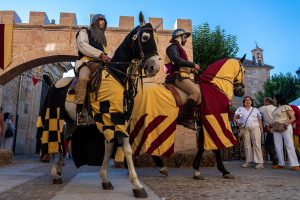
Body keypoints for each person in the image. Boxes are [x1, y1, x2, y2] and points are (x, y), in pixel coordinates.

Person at [75, 14, 111, 125]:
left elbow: (108, 53)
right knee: (83, 79)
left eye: (104, 21)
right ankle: (80, 112)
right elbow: (83, 45)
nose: (103, 23)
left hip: (100, 65)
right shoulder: (84, 31)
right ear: (94, 22)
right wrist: (100, 54)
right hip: (86, 63)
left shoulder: (103, 40)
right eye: (101, 20)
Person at [164, 28, 201, 129]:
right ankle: (187, 118)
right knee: (195, 92)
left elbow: (181, 65)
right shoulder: (172, 47)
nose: (186, 39)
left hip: (182, 75)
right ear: (179, 37)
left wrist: (190, 70)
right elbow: (176, 61)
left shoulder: (178, 48)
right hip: (177, 77)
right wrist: (193, 65)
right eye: (185, 37)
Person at [233, 96, 264, 169]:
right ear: (244, 102)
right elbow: (234, 118)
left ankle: (260, 162)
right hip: (245, 128)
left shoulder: (255, 109)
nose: (247, 101)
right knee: (247, 145)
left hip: (255, 128)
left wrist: (261, 128)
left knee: (257, 144)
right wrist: (238, 123)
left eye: (249, 100)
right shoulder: (240, 109)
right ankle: (248, 161)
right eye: (246, 100)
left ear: (251, 101)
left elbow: (259, 120)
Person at [270, 94, 300, 171]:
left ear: (278, 99)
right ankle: (281, 163)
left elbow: (293, 118)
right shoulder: (276, 109)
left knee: (289, 145)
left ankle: (294, 164)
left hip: (285, 127)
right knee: (277, 146)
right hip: (276, 127)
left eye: (274, 98)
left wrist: (286, 124)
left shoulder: (286, 107)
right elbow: (276, 119)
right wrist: (271, 125)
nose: (273, 100)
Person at [259, 97, 278, 165]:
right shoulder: (275, 108)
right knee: (276, 145)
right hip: (277, 127)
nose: (263, 102)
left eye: (264, 101)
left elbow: (259, 117)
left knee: (268, 145)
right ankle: (277, 159)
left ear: (267, 101)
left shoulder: (262, 108)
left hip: (269, 128)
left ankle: (275, 161)